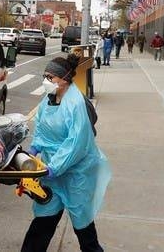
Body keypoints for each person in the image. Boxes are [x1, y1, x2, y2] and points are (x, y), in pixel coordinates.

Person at [21, 54, 111, 252]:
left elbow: (76, 144)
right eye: (45, 76)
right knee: (44, 217)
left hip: (77, 172)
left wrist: (54, 167)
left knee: (82, 222)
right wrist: (34, 148)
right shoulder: (48, 99)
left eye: (50, 77)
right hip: (51, 170)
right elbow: (42, 128)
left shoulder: (75, 104)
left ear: (64, 79)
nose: (46, 81)